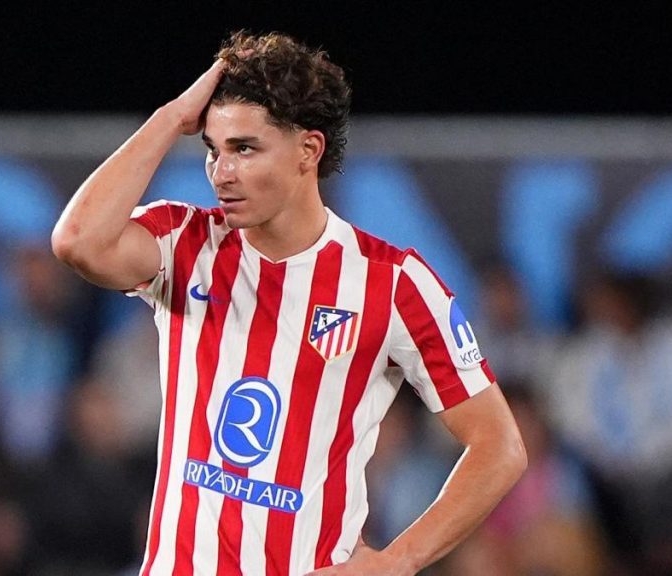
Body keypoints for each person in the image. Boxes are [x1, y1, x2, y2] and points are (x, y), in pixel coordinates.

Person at [52, 31, 526, 576]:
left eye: (244, 149)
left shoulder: (392, 283)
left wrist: (397, 562)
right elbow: (77, 241)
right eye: (212, 150)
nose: (221, 173)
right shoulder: (184, 243)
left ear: (309, 150)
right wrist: (170, 117)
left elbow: (499, 446)